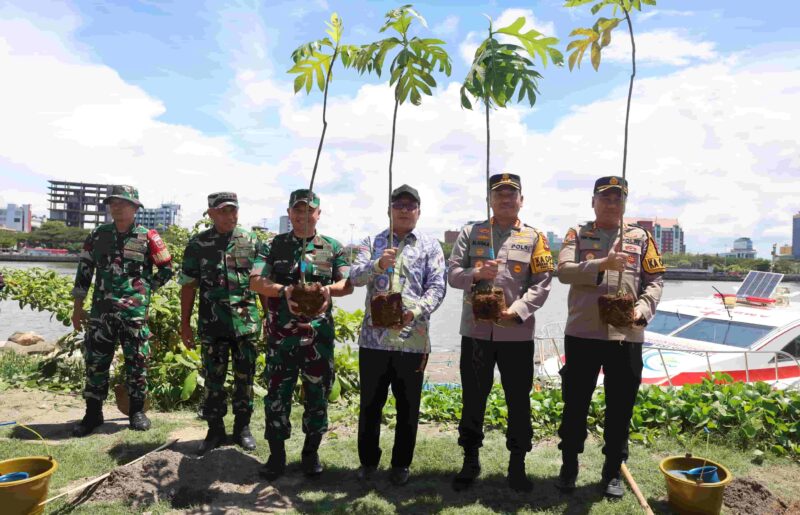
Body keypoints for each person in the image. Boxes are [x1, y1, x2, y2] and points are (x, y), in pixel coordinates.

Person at [555, 176, 665, 498]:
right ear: (593, 201)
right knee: (575, 403)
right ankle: (568, 465)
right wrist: (603, 263)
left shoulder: (641, 237)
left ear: (625, 203)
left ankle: (613, 471)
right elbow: (563, 272)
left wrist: (642, 310)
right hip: (583, 333)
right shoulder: (578, 233)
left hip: (626, 335)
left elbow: (655, 280)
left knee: (621, 407)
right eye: (606, 198)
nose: (612, 203)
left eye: (618, 198)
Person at [447, 173, 554, 492]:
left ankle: (517, 463)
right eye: (499, 194)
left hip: (516, 336)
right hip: (477, 333)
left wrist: (517, 310)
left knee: (519, 401)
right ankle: (470, 460)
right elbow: (452, 274)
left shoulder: (535, 237)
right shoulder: (471, 232)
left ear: (522, 199)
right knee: (473, 399)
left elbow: (543, 282)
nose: (506, 199)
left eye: (512, 194)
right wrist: (476, 272)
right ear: (489, 200)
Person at [249, 189, 353, 480]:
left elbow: (347, 284)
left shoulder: (332, 247)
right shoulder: (273, 246)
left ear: (319, 213)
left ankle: (311, 454)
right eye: (297, 210)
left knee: (317, 395)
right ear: (289, 212)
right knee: (277, 396)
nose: (302, 216)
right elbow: (256, 282)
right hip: (282, 337)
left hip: (317, 338)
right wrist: (285, 291)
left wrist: (325, 290)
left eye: (309, 211)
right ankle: (276, 456)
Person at [349, 184, 446, 486]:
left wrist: (414, 311)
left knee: (408, 407)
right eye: (398, 204)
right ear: (389, 209)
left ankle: (401, 463)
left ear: (418, 211)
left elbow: (437, 287)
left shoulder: (431, 246)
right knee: (370, 404)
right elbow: (353, 276)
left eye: (410, 205)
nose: (404, 210)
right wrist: (378, 264)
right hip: (373, 340)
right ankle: (368, 461)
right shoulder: (371, 241)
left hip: (412, 340)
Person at [71, 185, 173, 436]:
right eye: (113, 202)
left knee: (137, 361)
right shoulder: (97, 235)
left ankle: (137, 412)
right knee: (96, 363)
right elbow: (84, 272)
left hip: (134, 314)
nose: (116, 206)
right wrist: (77, 308)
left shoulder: (148, 236)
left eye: (122, 203)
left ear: (135, 207)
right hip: (101, 312)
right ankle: (93, 413)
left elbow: (167, 269)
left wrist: (145, 294)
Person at [179, 192, 263, 455]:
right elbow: (188, 286)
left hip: (246, 325)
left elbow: (262, 285)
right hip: (212, 325)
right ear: (211, 213)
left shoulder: (251, 241)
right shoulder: (198, 244)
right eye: (223, 211)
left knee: (245, 380)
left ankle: (242, 428)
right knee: (213, 381)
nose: (230, 216)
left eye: (233, 210)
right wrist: (184, 323)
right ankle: (215, 429)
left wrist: (270, 319)